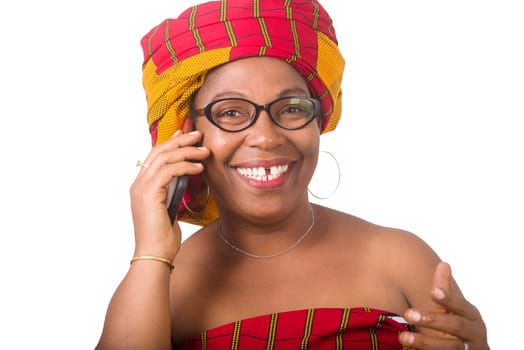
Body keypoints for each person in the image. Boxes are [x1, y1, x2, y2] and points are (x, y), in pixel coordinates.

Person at [96, 0, 489, 349]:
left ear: (318, 121)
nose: (266, 137)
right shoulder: (164, 284)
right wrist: (151, 253)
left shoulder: (399, 258)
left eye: (291, 108)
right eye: (231, 112)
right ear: (187, 135)